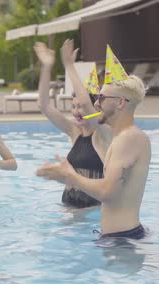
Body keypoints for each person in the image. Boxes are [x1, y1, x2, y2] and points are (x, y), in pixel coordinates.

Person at [37, 73, 150, 241]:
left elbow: (106, 192)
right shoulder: (124, 137)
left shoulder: (129, 138)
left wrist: (70, 175)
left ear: (120, 102)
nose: (96, 103)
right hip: (117, 237)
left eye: (102, 98)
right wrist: (63, 176)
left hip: (123, 239)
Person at [34, 40, 112, 209]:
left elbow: (86, 104)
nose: (76, 111)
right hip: (69, 204)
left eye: (80, 107)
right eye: (73, 106)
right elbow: (43, 105)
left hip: (94, 208)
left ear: (95, 108)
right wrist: (47, 67)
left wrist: (69, 65)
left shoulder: (104, 133)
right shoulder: (74, 132)